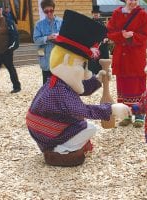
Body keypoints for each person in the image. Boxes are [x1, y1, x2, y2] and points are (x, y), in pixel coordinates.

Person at [26, 10, 131, 167]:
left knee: (81, 124)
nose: (86, 72)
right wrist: (112, 109)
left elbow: (81, 89)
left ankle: (61, 145)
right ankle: (61, 149)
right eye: (83, 66)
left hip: (44, 128)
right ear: (68, 60)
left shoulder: (57, 81)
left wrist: (97, 80)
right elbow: (84, 110)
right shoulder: (59, 92)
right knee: (89, 128)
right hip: (48, 134)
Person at [107, 0, 147, 128]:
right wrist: (121, 35)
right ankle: (126, 115)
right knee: (122, 86)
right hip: (121, 57)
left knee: (137, 85)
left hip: (136, 57)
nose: (133, 1)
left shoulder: (143, 14)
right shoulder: (116, 13)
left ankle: (139, 115)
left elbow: (145, 35)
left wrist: (132, 36)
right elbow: (109, 33)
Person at [33, 0, 62, 84]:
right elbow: (36, 40)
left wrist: (59, 38)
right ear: (43, 11)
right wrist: (48, 37)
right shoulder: (39, 24)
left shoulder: (61, 22)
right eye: (46, 11)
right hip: (46, 59)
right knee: (47, 85)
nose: (49, 13)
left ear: (54, 9)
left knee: (61, 84)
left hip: (59, 59)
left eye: (51, 10)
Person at [88, 5, 109, 74]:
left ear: (99, 14)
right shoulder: (90, 22)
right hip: (93, 45)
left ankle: (103, 72)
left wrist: (106, 38)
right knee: (93, 63)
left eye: (97, 14)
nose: (96, 15)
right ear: (93, 14)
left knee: (102, 60)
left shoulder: (102, 23)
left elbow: (105, 33)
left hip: (101, 45)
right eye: (95, 14)